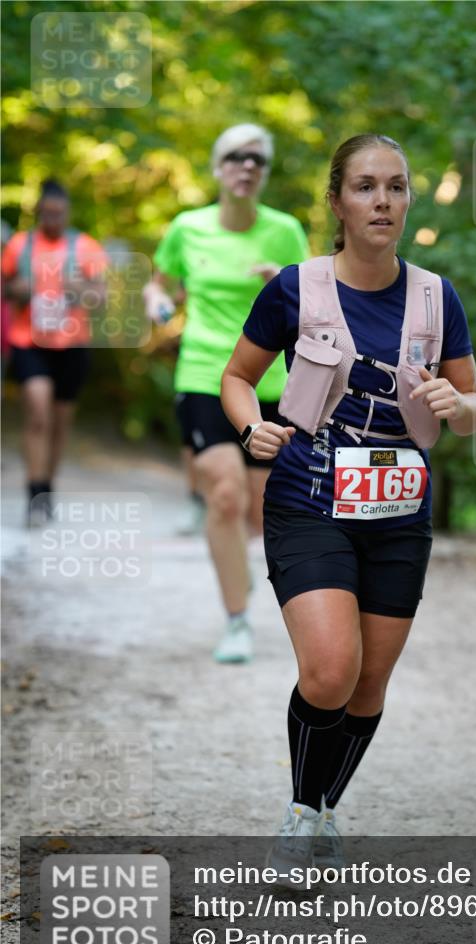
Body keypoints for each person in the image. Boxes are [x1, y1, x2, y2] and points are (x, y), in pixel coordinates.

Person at [222, 133, 476, 884]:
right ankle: (301, 819)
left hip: (399, 512)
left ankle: (322, 812)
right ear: (336, 201)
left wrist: (456, 402)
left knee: (369, 685)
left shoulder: (437, 296)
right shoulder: (295, 288)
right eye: (366, 187)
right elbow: (237, 378)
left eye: (396, 187)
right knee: (332, 671)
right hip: (308, 499)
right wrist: (252, 427)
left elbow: (475, 407)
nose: (383, 201)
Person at [143, 124, 309, 664]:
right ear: (217, 168)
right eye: (236, 157)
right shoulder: (187, 228)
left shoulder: (284, 231)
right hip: (204, 377)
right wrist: (156, 303)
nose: (247, 166)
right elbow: (160, 282)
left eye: (257, 159)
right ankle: (236, 620)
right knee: (224, 494)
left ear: (264, 172)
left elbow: (317, 305)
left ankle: (245, 578)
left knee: (261, 513)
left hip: (272, 385)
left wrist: (283, 282)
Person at [1, 179, 107, 526]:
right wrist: (16, 288)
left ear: (68, 212)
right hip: (28, 341)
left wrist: (81, 291)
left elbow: (102, 296)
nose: (52, 219)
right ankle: (33, 492)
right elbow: (4, 284)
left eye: (58, 214)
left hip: (72, 345)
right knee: (37, 413)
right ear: (38, 212)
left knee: (60, 424)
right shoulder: (20, 245)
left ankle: (46, 488)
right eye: (46, 213)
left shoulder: (85, 247)